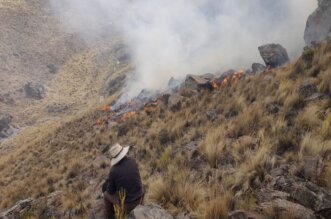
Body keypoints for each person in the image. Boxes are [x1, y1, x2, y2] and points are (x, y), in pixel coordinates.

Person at [103, 143, 144, 219]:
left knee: (106, 195)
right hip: (140, 197)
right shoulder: (132, 160)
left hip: (128, 205)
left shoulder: (113, 171)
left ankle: (110, 217)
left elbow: (110, 191)